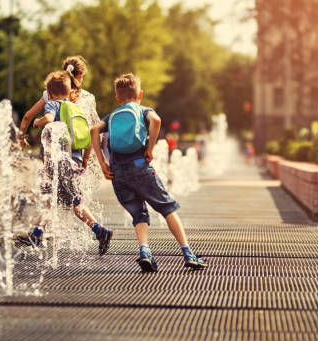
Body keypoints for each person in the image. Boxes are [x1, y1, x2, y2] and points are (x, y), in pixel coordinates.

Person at [90, 73, 207, 272]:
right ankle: (188, 253)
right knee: (167, 208)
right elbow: (157, 121)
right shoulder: (143, 110)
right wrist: (150, 149)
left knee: (139, 214)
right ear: (140, 94)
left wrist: (102, 163)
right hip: (140, 168)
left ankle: (145, 251)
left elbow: (94, 130)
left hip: (119, 174)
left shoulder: (112, 117)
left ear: (117, 98)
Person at [20, 70, 113, 253]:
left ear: (50, 93)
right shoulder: (76, 107)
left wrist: (37, 123)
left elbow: (47, 119)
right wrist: (85, 160)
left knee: (73, 202)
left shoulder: (53, 104)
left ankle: (99, 230)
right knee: (50, 195)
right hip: (75, 159)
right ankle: (37, 233)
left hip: (60, 161)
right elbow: (87, 136)